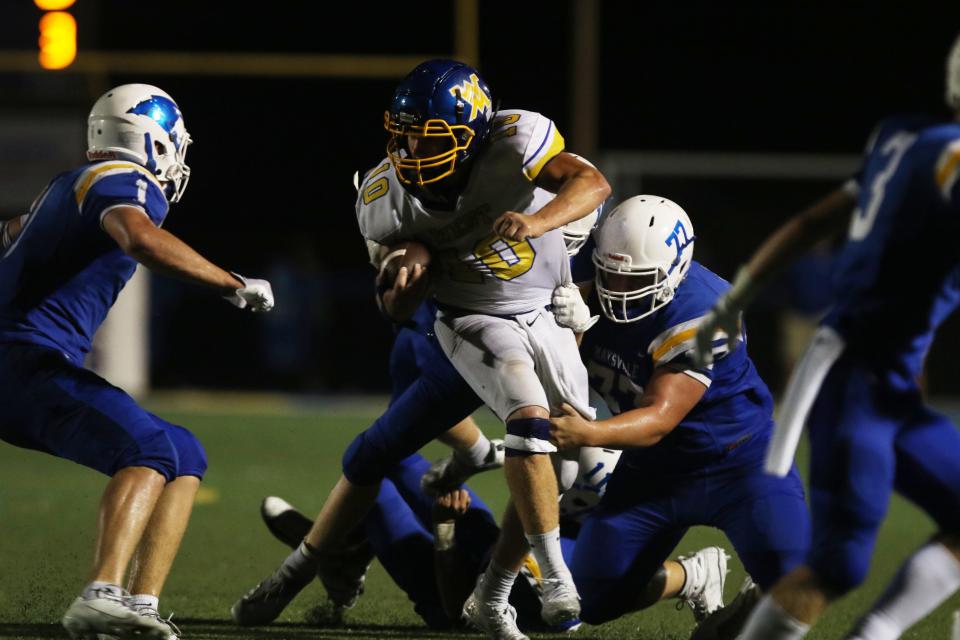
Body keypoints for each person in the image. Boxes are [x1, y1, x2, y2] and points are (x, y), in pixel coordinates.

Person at [232, 59, 609, 638]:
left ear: (474, 133)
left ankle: (517, 573)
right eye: (403, 134)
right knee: (378, 451)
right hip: (468, 327)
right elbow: (396, 308)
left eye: (427, 137)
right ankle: (302, 569)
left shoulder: (518, 144)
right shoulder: (386, 198)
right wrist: (409, 269)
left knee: (582, 465)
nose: (409, 151)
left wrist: (546, 236)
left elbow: (591, 186)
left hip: (546, 310)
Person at [692, 33, 960, 640]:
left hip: (887, 386)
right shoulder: (948, 155)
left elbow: (814, 219)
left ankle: (877, 634)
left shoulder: (903, 136)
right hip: (857, 380)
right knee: (836, 564)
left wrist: (733, 300)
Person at [0, 83, 274, 640]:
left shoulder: (69, 183)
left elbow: (10, 234)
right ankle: (100, 595)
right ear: (154, 140)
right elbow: (140, 239)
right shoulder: (128, 182)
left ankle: (139, 605)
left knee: (184, 452)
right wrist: (232, 284)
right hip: (23, 361)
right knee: (147, 448)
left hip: (23, 364)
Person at [548, 195, 811, 628]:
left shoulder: (705, 311)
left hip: (738, 463)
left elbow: (659, 418)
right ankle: (692, 577)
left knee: (791, 582)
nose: (618, 290)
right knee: (593, 600)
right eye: (609, 275)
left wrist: (588, 433)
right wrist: (568, 331)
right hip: (653, 471)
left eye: (636, 281)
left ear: (675, 271)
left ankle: (742, 613)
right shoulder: (578, 278)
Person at [257, 447, 728, 638]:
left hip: (450, 590)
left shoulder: (571, 574)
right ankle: (346, 551)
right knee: (382, 451)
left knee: (378, 499)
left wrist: (444, 529)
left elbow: (459, 605)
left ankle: (341, 552)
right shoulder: (575, 515)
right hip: (492, 549)